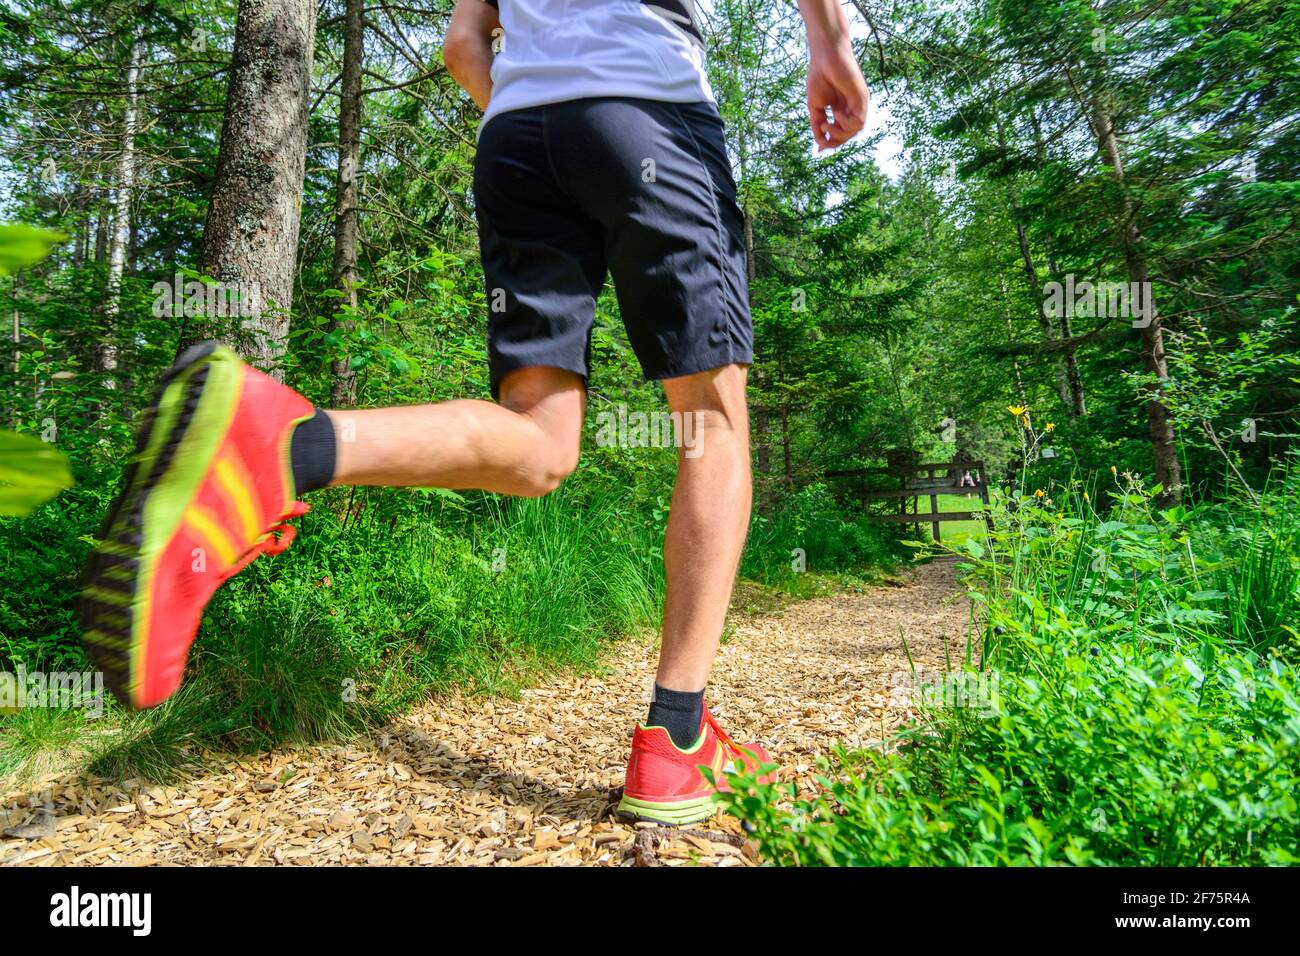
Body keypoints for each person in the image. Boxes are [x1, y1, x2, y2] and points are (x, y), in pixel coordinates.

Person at [79, 0, 869, 826]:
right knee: (712, 423)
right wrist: (829, 40)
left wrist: (549, 119)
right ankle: (677, 740)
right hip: (651, 115)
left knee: (542, 442)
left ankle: (287, 446)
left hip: (518, 141)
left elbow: (463, 46)